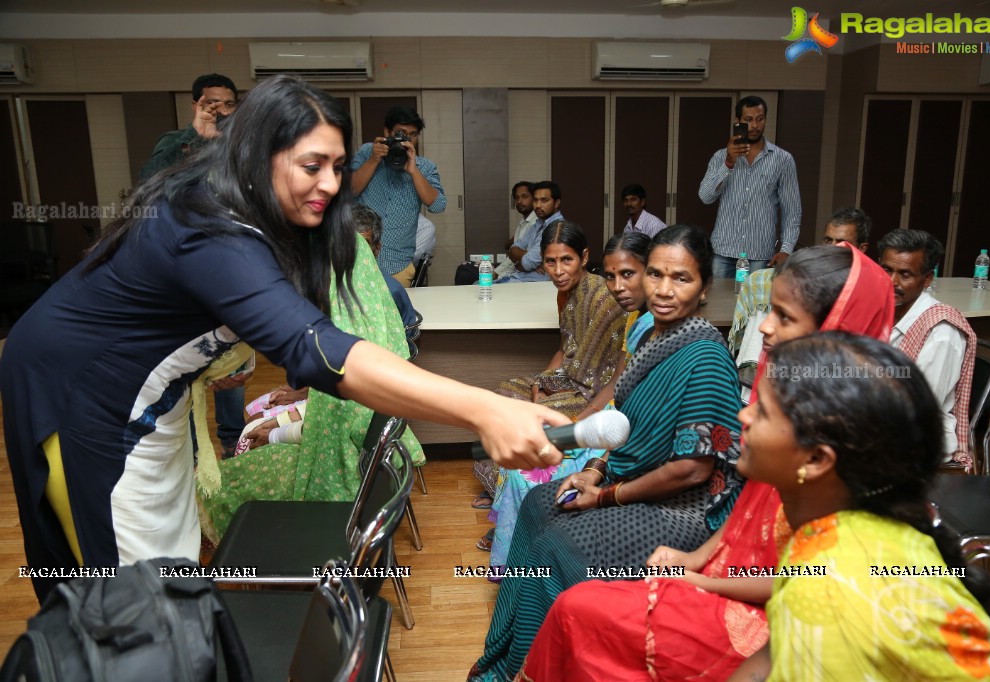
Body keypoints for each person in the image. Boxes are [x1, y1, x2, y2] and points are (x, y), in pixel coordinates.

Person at [0, 75, 567, 602]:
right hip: (90, 400)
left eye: (339, 166)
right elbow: (316, 347)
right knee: (129, 594)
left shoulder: (277, 222)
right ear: (257, 157)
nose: (329, 184)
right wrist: (485, 409)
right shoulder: (209, 225)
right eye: (311, 164)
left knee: (171, 569)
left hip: (158, 400)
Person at [517, 242, 895, 682]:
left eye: (785, 317)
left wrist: (692, 571)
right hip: (722, 563)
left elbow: (806, 577)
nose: (766, 329)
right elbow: (744, 519)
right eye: (654, 275)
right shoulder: (781, 392)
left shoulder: (848, 444)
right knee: (542, 515)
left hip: (759, 591)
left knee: (573, 590)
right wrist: (691, 558)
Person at [470, 225, 745, 682]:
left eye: (681, 278)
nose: (663, 289)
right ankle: (509, 649)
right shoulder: (649, 337)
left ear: (705, 289)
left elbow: (692, 470)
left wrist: (606, 496)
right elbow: (623, 427)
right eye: (655, 274)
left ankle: (537, 666)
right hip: (627, 478)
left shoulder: (706, 358)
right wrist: (595, 470)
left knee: (561, 545)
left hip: (684, 510)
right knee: (540, 505)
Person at [729, 333, 990, 680]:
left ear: (816, 458)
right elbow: (771, 654)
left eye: (761, 410)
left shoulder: (829, 591)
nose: (742, 415)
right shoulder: (857, 530)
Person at [197, 231, 425, 543]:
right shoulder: (371, 343)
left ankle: (247, 558)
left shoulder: (348, 360)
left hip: (337, 484)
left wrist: (273, 433)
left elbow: (329, 428)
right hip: (358, 470)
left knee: (227, 482)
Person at [482, 232, 653, 564]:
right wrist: (561, 400)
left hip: (600, 408)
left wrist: (579, 427)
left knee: (533, 433)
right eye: (550, 261)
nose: (617, 286)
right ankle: (511, 515)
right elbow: (588, 364)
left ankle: (515, 522)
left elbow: (592, 376)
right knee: (507, 403)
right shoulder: (636, 319)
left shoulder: (615, 307)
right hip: (602, 410)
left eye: (628, 274)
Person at [472, 221, 627, 511]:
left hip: (595, 394)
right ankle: (500, 491)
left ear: (583, 257)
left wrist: (572, 416)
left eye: (567, 260)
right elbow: (565, 349)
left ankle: (515, 503)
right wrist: (539, 383)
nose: (558, 270)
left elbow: (612, 379)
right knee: (501, 397)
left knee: (529, 420)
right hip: (569, 378)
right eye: (550, 261)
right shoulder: (565, 293)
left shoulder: (606, 298)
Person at [139, 73, 246, 457]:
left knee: (230, 358)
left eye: (227, 103)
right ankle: (192, 449)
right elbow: (148, 187)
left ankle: (234, 444)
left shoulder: (243, 146)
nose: (219, 109)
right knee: (189, 359)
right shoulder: (174, 143)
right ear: (195, 105)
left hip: (230, 265)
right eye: (210, 102)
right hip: (183, 268)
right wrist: (198, 137)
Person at [728, 207, 873, 380]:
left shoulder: (869, 288)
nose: (832, 248)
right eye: (828, 240)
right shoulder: (810, 277)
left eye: (841, 242)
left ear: (862, 248)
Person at [879, 229, 976, 468]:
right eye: (886, 270)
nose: (892, 282)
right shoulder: (884, 310)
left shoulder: (941, 332)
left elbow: (920, 407)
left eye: (905, 274)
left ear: (928, 279)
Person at [698, 95, 801, 280]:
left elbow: (792, 210)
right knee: (717, 306)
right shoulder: (721, 157)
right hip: (723, 251)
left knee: (755, 306)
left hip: (760, 254)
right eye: (748, 120)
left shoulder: (783, 160)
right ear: (738, 122)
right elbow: (705, 197)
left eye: (759, 119)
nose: (755, 125)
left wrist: (786, 249)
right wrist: (728, 163)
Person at [351, 106, 445, 287]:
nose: (405, 140)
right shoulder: (367, 152)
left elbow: (438, 205)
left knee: (397, 315)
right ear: (387, 132)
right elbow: (351, 190)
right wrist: (373, 160)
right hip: (357, 260)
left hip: (397, 265)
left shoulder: (425, 167)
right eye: (400, 133)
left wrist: (414, 171)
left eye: (412, 135)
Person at [138, 73, 239, 182]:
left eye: (229, 104)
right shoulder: (175, 140)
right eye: (212, 103)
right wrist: (195, 134)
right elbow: (147, 178)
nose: (223, 111)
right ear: (195, 107)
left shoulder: (241, 140)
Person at [352, 203, 420, 333]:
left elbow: (409, 336)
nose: (356, 252)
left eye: (364, 245)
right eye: (350, 243)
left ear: (377, 249)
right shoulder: (323, 288)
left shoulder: (391, 290)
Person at [497, 181, 564, 284]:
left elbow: (526, 264)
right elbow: (512, 249)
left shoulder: (556, 228)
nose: (538, 205)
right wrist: (525, 257)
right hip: (518, 279)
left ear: (556, 203)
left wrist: (521, 261)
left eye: (544, 200)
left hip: (531, 286)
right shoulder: (537, 224)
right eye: (535, 200)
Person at [495, 181, 537, 280]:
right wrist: (495, 272)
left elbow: (522, 260)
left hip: (525, 277)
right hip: (514, 272)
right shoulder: (523, 221)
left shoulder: (536, 223)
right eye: (517, 197)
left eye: (524, 196)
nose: (519, 201)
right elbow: (513, 255)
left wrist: (497, 274)